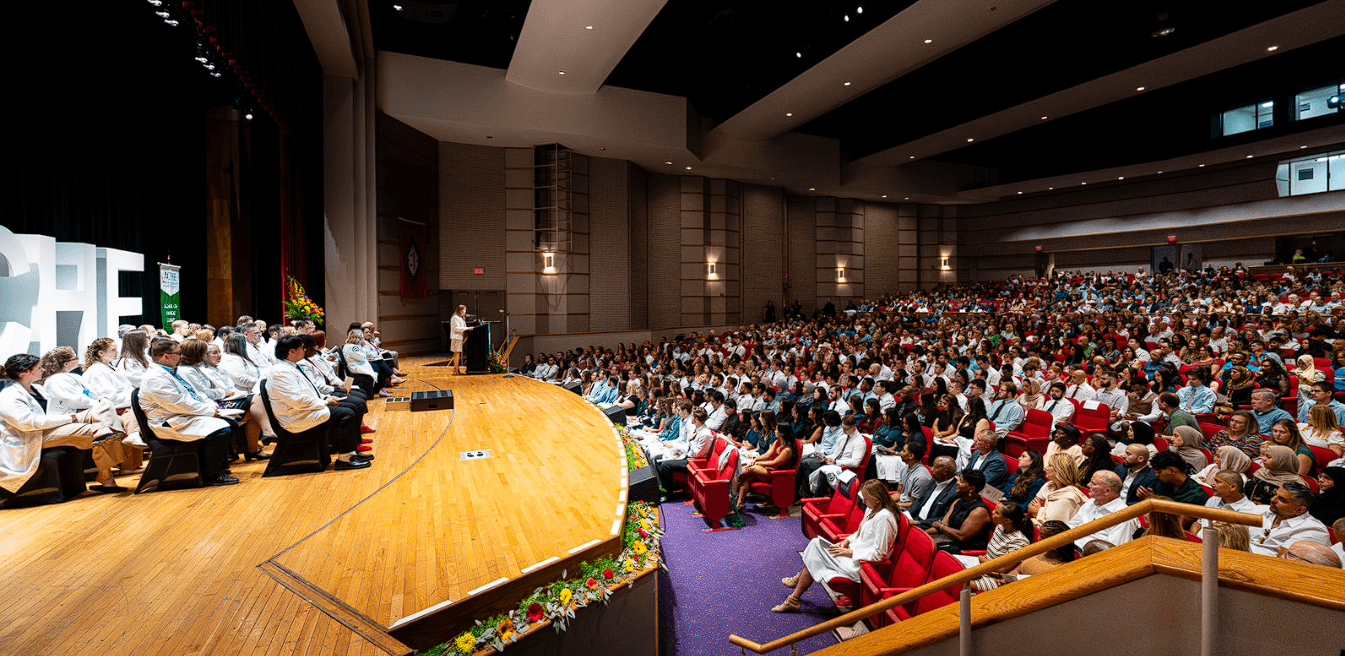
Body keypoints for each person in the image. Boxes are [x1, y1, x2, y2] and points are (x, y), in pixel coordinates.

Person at [0, 354, 128, 493]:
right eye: (39, 368)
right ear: (25, 372)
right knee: (96, 430)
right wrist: (66, 419)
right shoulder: (9, 395)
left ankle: (102, 434)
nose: (43, 370)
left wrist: (68, 414)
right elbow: (28, 423)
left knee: (104, 408)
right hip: (33, 437)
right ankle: (107, 477)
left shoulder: (37, 388)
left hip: (53, 424)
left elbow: (53, 409)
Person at [774, 479, 900, 613]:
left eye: (866, 499)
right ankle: (794, 595)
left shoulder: (884, 518)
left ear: (877, 500)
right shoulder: (873, 509)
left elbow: (881, 553)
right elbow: (860, 532)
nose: (863, 502)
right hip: (851, 554)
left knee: (815, 547)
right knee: (816, 544)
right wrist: (846, 542)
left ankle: (794, 596)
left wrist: (849, 553)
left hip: (860, 565)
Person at [137, 339, 240, 486]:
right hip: (169, 422)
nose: (181, 356)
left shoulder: (172, 371)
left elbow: (195, 394)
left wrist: (210, 407)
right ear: (166, 356)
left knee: (231, 424)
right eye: (178, 353)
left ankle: (216, 467)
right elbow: (179, 404)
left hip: (183, 415)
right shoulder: (155, 377)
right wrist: (208, 411)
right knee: (221, 431)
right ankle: (211, 475)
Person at [270, 335, 370, 471]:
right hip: (296, 416)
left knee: (351, 407)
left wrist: (324, 399)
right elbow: (296, 400)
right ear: (292, 351)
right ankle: (344, 459)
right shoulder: (281, 372)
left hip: (306, 408)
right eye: (302, 348)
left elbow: (310, 390)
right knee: (347, 414)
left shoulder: (290, 366)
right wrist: (324, 401)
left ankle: (351, 453)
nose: (304, 350)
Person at [1249, 481, 1330, 556]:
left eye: (1282, 500)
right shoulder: (1260, 510)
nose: (1272, 499)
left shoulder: (1312, 530)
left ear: (1300, 510)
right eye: (1275, 495)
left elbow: (1283, 561)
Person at [1066, 471, 1141, 550]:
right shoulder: (1090, 502)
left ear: (1107, 491)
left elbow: (1112, 550)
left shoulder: (1123, 516)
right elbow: (1072, 526)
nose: (1088, 485)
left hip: (1089, 556)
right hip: (1070, 546)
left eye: (1093, 484)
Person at [970, 500, 1034, 591]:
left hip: (998, 580)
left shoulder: (1020, 541)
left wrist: (981, 559)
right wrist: (983, 561)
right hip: (985, 568)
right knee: (954, 574)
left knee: (962, 585)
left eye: (996, 512)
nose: (992, 512)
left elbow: (1001, 569)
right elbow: (990, 554)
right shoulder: (1000, 527)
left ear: (1006, 520)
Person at [735, 424, 797, 513]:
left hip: (777, 474)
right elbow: (767, 455)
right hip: (768, 469)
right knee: (747, 478)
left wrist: (758, 462)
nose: (775, 431)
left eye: (777, 430)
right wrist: (755, 458)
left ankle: (733, 474)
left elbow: (774, 462)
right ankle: (740, 503)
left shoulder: (787, 450)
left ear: (782, 432)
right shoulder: (777, 442)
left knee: (752, 468)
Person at [927, 469, 992, 553]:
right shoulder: (957, 502)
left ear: (971, 488)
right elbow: (942, 525)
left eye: (961, 481)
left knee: (927, 549)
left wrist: (942, 527)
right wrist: (923, 534)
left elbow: (961, 536)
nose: (957, 483)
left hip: (965, 549)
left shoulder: (979, 511)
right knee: (920, 541)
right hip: (949, 541)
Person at [1029, 453, 1089, 522]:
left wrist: (1039, 511)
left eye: (1050, 466)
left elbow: (1052, 523)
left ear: (1060, 469)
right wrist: (1041, 512)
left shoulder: (1069, 497)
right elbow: (1031, 508)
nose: (1046, 468)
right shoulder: (1048, 485)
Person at [909, 456, 959, 525]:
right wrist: (907, 514)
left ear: (945, 472)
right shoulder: (933, 481)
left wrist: (918, 523)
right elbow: (921, 500)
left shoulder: (955, 492)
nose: (932, 469)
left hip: (928, 526)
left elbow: (945, 518)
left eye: (935, 467)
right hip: (915, 518)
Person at [894, 441, 932, 509]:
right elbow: (899, 493)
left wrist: (893, 506)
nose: (900, 452)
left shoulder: (921, 477)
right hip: (900, 503)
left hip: (909, 509)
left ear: (911, 456)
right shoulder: (905, 469)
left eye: (904, 451)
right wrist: (884, 502)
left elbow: (914, 504)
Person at [449, 305, 475, 374]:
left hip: (459, 337)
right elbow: (457, 328)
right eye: (463, 310)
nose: (464, 312)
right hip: (456, 337)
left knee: (457, 353)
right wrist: (467, 328)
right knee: (457, 353)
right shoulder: (455, 317)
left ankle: (456, 369)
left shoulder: (460, 318)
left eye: (465, 310)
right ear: (459, 310)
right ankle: (456, 370)